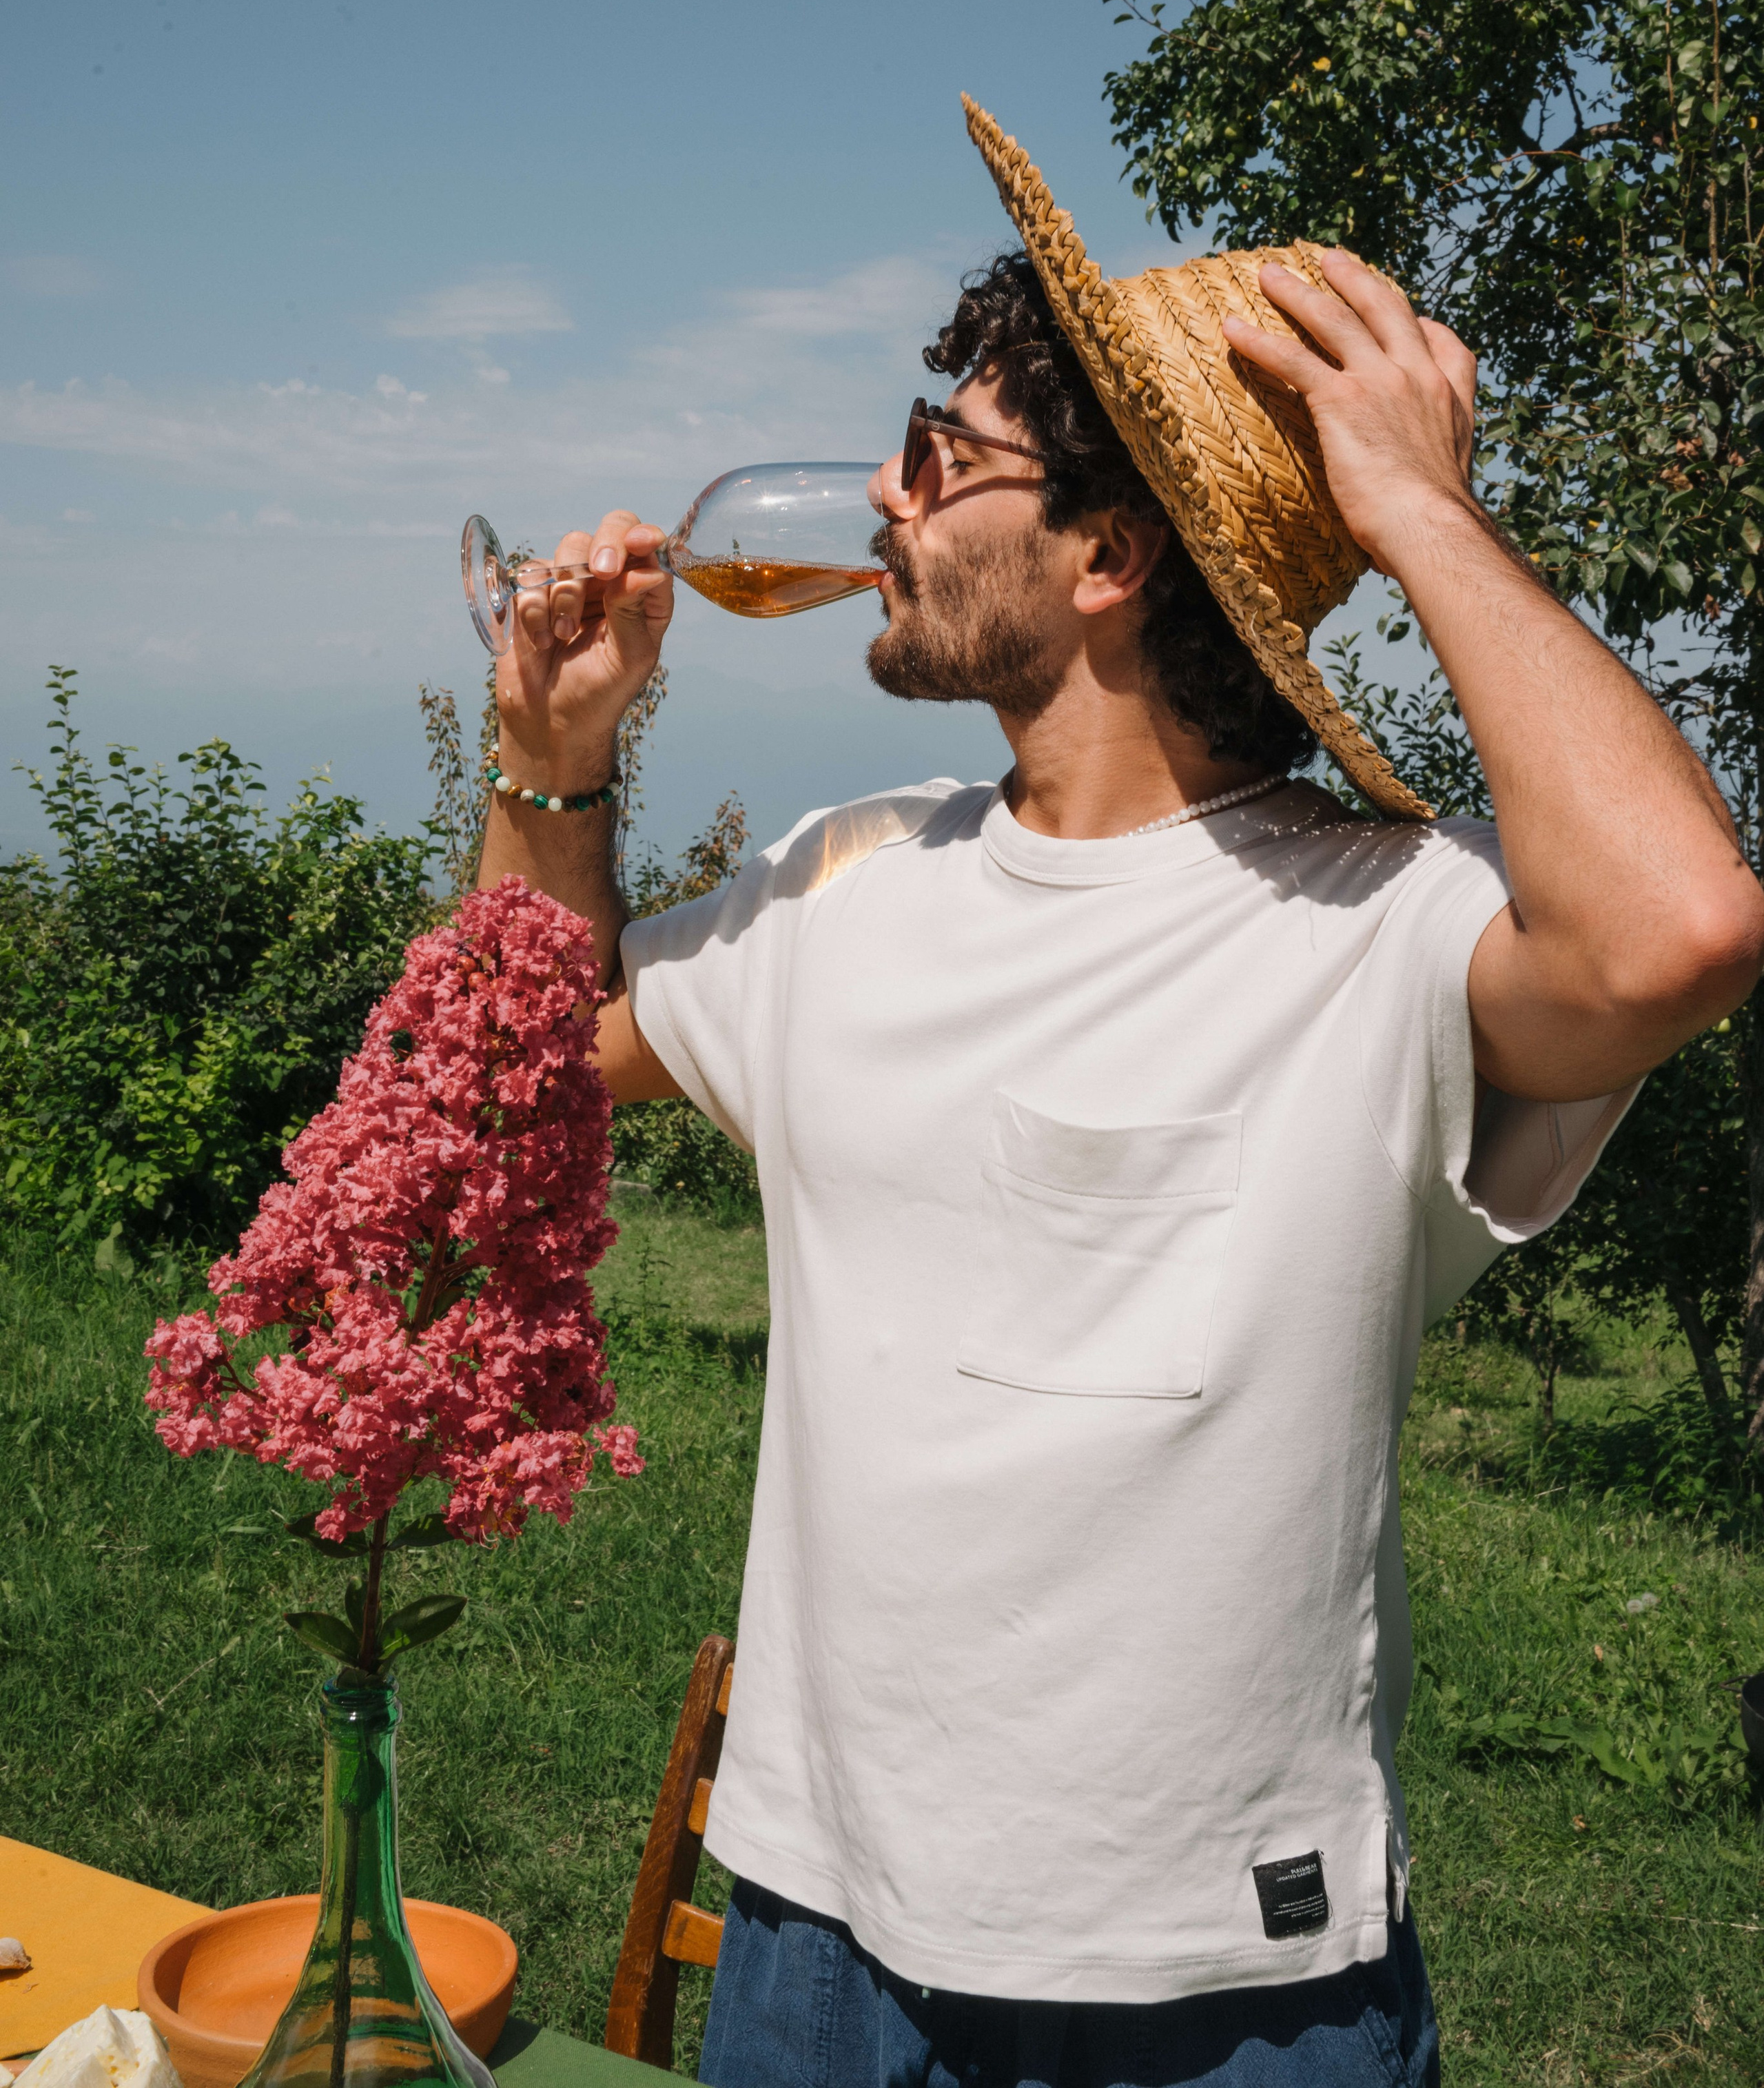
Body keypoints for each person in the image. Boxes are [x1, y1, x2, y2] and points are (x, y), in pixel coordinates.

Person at [475, 103, 1764, 2088]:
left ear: (1112, 551)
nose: (889, 500)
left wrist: (1416, 510)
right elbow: (524, 1066)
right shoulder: (846, 878)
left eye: (941, 452)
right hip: (817, 1951)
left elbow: (1683, 926)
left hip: (1229, 1999)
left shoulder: (1380, 925)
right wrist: (552, 770)